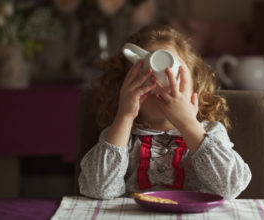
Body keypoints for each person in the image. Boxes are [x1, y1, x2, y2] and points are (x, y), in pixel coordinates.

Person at [78, 24, 251, 200]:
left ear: (195, 86)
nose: (161, 83)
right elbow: (98, 190)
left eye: (175, 76)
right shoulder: (120, 136)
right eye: (145, 75)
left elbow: (231, 187)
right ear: (123, 88)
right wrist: (124, 116)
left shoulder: (210, 133)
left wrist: (187, 123)